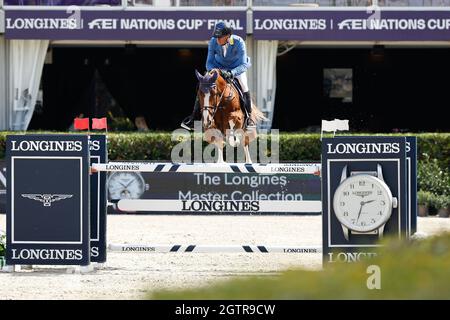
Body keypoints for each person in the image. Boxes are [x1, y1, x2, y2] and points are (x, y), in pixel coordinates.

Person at [181, 21, 255, 130]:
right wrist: (214, 71)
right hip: (219, 68)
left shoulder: (239, 42)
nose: (217, 39)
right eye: (216, 36)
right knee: (204, 85)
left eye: (220, 37)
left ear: (228, 36)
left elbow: (243, 64)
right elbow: (209, 62)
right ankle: (193, 118)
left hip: (236, 69)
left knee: (244, 86)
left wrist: (231, 73)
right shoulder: (213, 42)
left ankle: (249, 119)